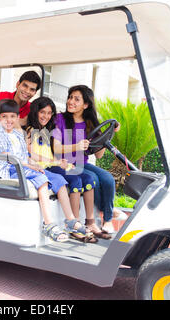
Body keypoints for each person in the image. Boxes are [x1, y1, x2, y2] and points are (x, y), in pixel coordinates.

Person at [0, 99, 90, 243]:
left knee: (60, 181)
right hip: (9, 169)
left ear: (18, 118)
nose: (9, 120)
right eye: (4, 117)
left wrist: (36, 165)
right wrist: (32, 166)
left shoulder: (19, 135)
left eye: (12, 117)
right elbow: (10, 158)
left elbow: (26, 156)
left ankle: (70, 220)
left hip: (23, 166)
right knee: (42, 181)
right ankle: (48, 224)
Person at [52, 85, 127, 236]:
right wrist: (77, 146)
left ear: (86, 105)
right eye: (70, 97)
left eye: (76, 99)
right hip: (66, 162)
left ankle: (107, 220)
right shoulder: (60, 119)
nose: (70, 101)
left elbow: (98, 155)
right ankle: (100, 216)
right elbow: (56, 149)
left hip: (82, 162)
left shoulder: (90, 123)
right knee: (93, 179)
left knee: (108, 178)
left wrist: (108, 135)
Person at [25, 96, 99, 242]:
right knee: (76, 180)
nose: (46, 116)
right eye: (42, 112)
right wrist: (56, 162)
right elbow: (33, 154)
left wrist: (61, 162)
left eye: (49, 113)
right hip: (45, 168)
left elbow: (49, 152)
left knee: (88, 179)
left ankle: (86, 221)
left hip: (53, 164)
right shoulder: (30, 130)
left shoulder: (45, 131)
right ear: (35, 112)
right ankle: (73, 224)